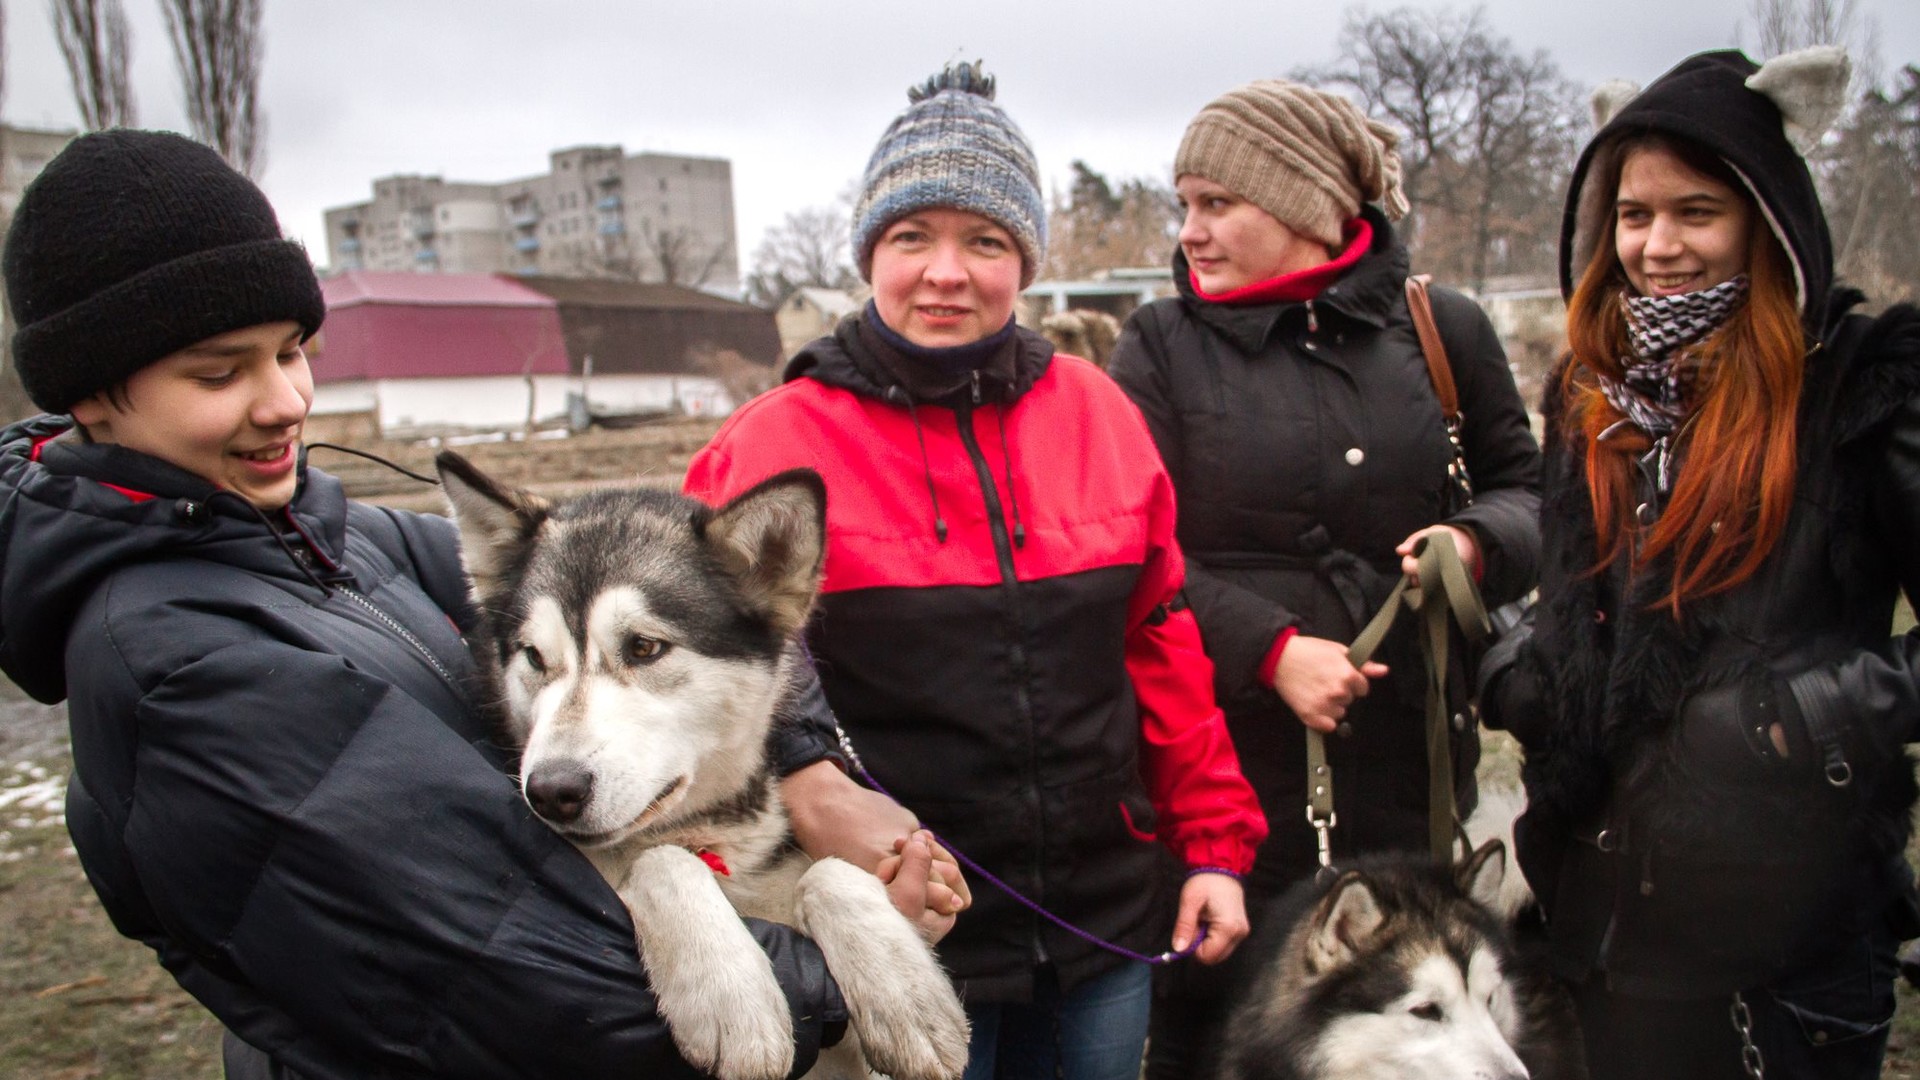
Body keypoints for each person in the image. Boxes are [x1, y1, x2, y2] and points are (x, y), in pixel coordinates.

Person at [0, 128, 953, 1080]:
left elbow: (713, 604)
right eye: (219, 373)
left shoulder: (342, 541)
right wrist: (845, 964)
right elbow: (510, 976)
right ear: (93, 396)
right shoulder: (170, 663)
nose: (285, 401)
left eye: (293, 352)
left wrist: (815, 776)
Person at [681, 62, 1268, 1080]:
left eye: (985, 241)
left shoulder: (1098, 414)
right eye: (914, 238)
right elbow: (705, 681)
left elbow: (1163, 643)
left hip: (1101, 923)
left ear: (1025, 262)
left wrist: (1213, 845)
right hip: (899, 932)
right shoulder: (770, 448)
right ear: (871, 252)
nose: (946, 272)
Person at [1478, 47, 1920, 1080]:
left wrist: (1806, 718)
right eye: (1635, 216)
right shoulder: (1588, 392)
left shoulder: (1859, 387)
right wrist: (1524, 666)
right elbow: (1581, 590)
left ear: (1767, 221)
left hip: (1786, 941)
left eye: (1697, 212)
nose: (1659, 246)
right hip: (1596, 926)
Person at [1104, 79, 1543, 1077]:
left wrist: (1476, 544)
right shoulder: (1161, 345)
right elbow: (1135, 544)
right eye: (1186, 204)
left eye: (1218, 204)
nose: (1191, 233)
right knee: (1215, 1034)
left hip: (1411, 776)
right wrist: (1268, 647)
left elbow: (1532, 494)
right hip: (1224, 781)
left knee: (1408, 1036)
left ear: (1305, 206)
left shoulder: (1443, 330)